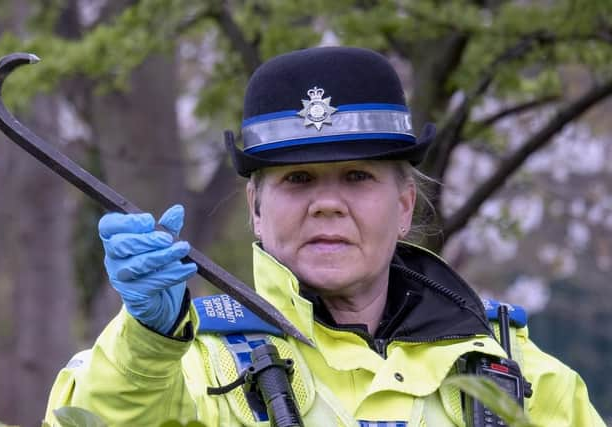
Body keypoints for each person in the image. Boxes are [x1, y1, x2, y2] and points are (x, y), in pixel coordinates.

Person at [45, 47, 604, 426]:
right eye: (298, 179)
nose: (327, 203)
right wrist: (146, 343)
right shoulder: (185, 361)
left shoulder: (512, 366)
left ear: (404, 205)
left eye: (358, 177)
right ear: (256, 208)